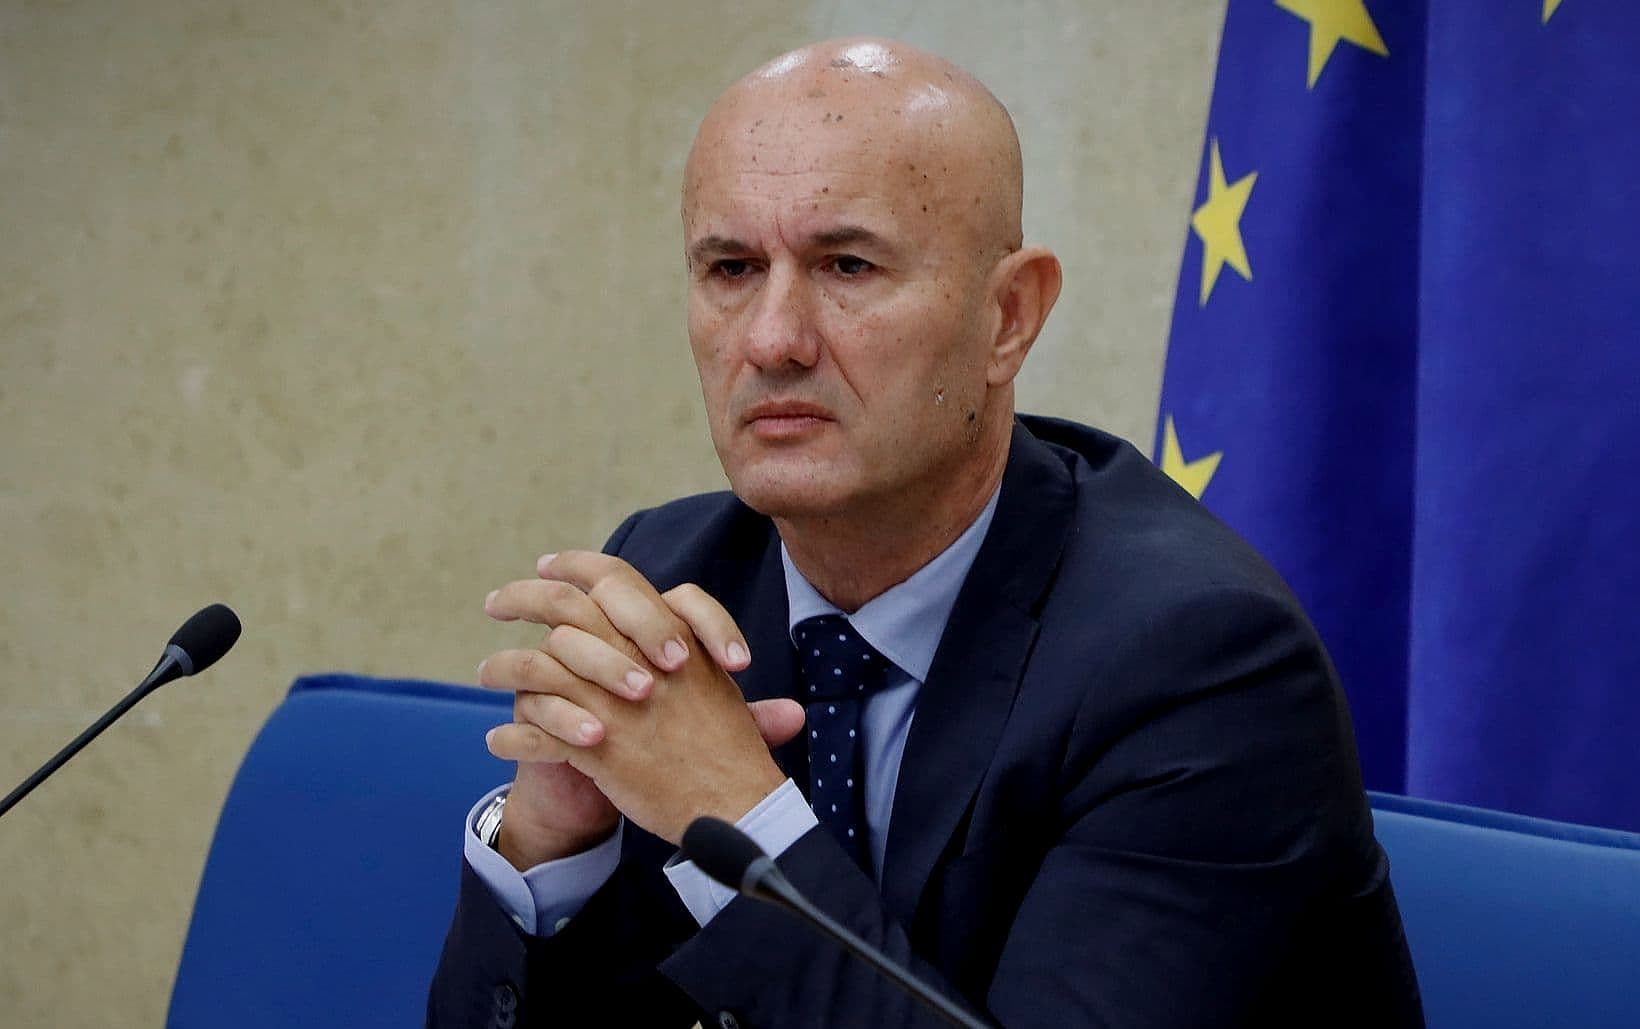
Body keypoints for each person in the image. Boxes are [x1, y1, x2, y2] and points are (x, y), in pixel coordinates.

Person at [427, 37, 1423, 1028]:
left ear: (1009, 317)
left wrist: (738, 818)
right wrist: (552, 849)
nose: (772, 340)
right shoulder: (679, 580)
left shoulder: (1198, 664)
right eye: (731, 267)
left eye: (847, 265)